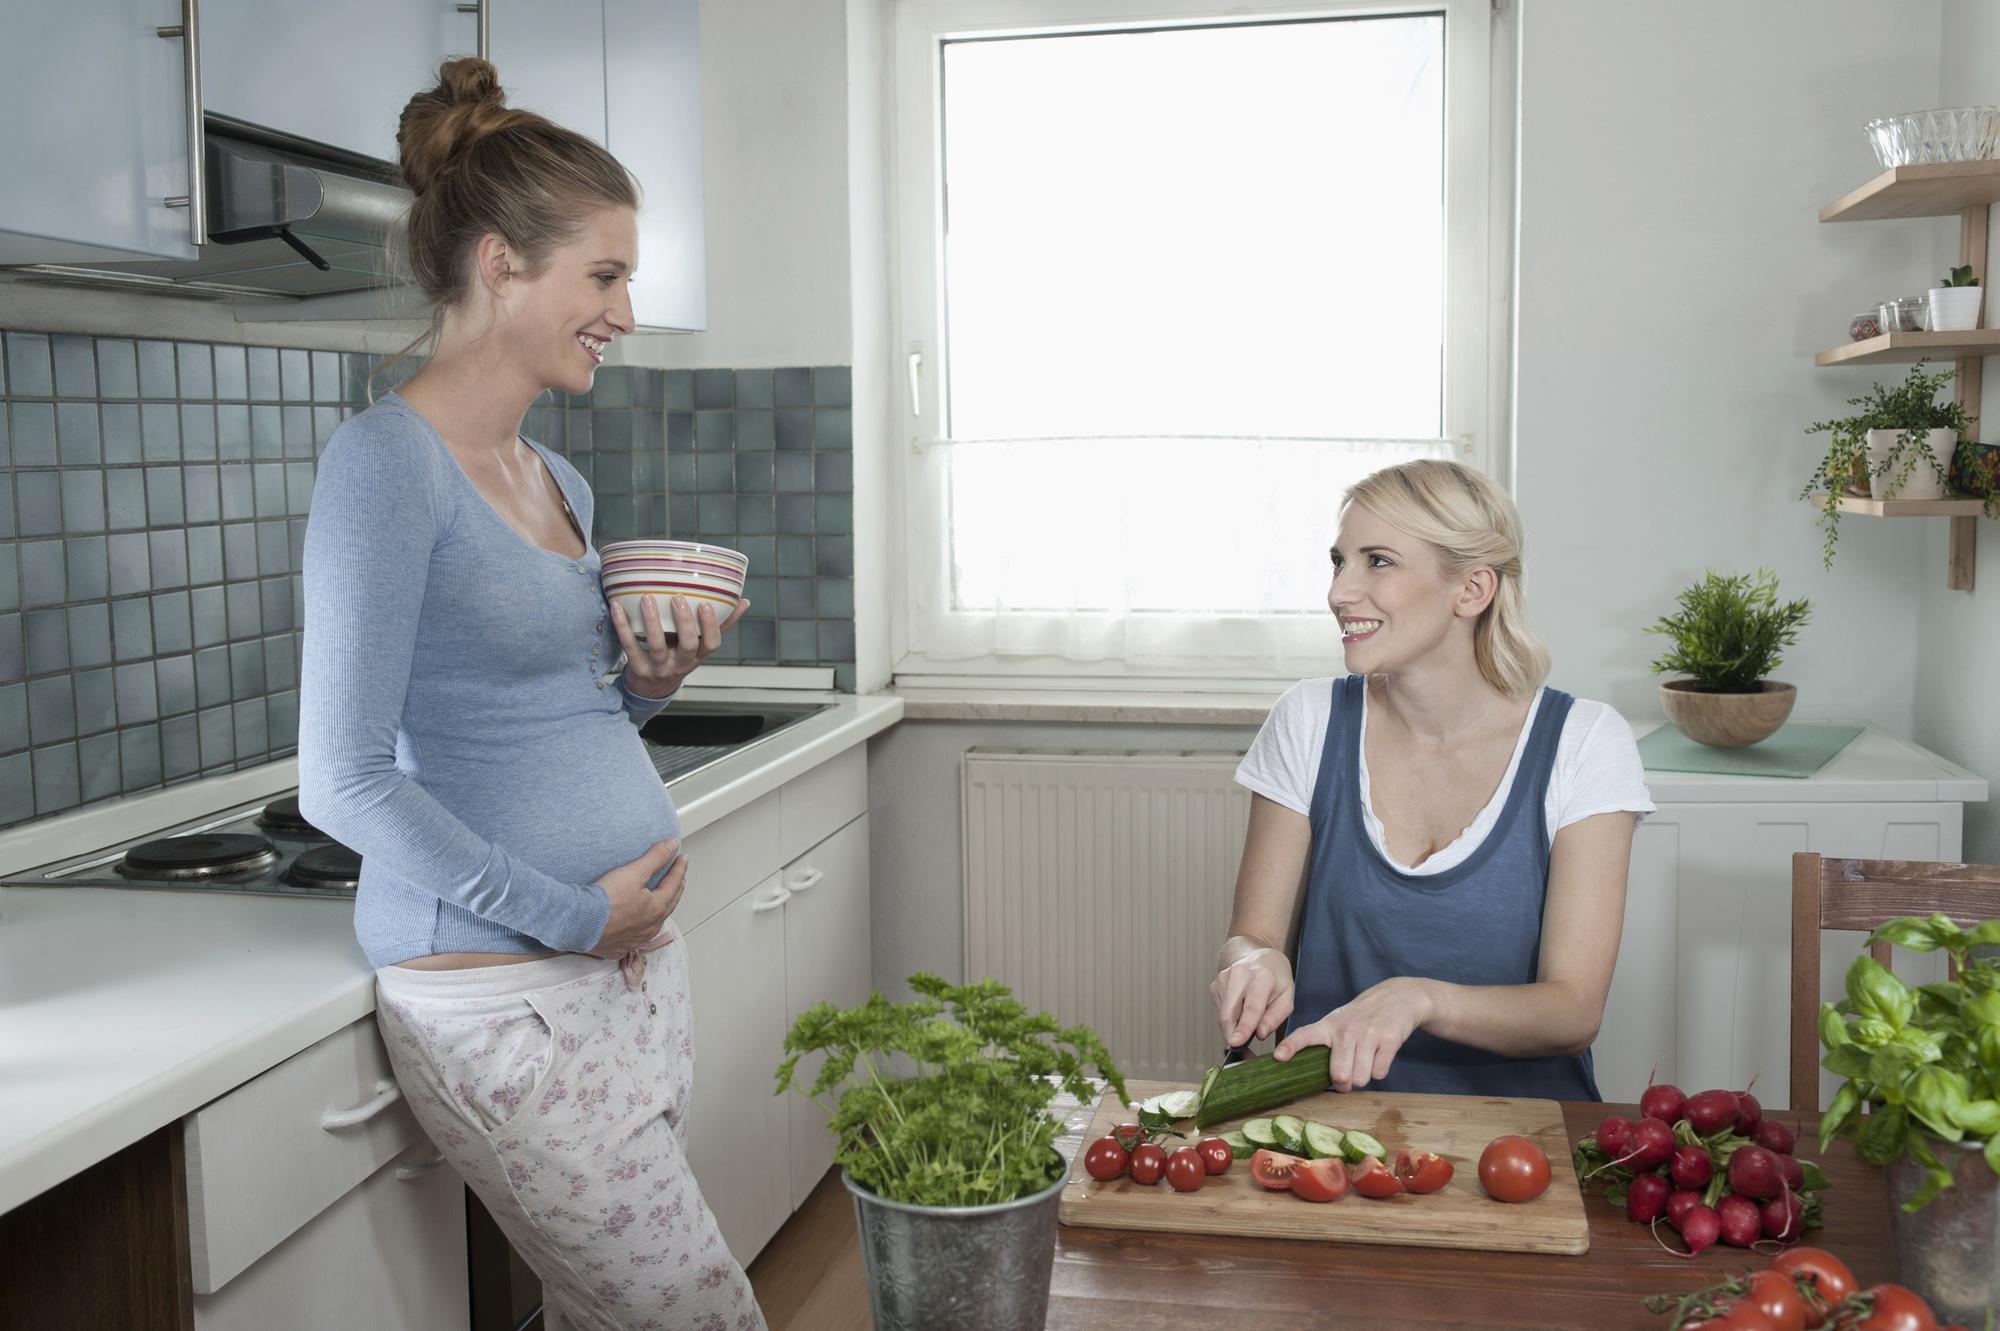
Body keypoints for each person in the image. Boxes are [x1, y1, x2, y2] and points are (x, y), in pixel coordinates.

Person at [298, 58, 763, 1331]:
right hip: (505, 993)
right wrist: (567, 912)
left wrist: (654, 687)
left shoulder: (556, 473)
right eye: (604, 274)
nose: (623, 307)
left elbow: (559, 721)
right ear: (502, 262)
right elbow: (340, 779)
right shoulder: (384, 465)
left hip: (622, 969)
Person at [1208, 459, 1654, 1099]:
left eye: (1378, 562)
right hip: (1330, 1125)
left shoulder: (1583, 743)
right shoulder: (1307, 720)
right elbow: (1253, 935)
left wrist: (1419, 999)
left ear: (1472, 590)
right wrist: (1251, 960)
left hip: (1522, 1143)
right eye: (1339, 561)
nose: (1339, 592)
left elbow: (1573, 1010)